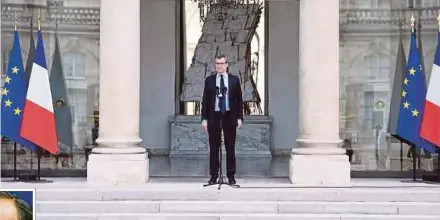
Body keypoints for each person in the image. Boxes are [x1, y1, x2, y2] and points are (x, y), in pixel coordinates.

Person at [201, 54, 243, 185]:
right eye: (217, 63)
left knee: (230, 147)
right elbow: (205, 101)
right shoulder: (210, 81)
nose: (219, 66)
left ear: (226, 64)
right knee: (214, 147)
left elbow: (239, 101)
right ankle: (214, 176)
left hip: (229, 116)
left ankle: (231, 176)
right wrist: (204, 119)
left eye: (221, 63)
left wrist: (239, 117)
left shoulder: (234, 80)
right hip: (214, 116)